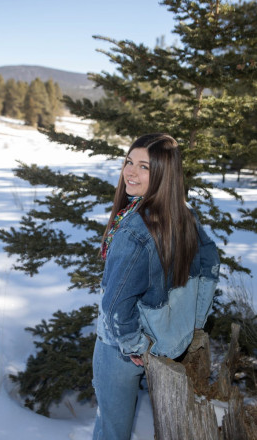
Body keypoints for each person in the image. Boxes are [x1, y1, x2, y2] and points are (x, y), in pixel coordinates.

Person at [92, 133, 220, 440]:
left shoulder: (136, 228)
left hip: (121, 349)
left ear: (164, 172)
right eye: (128, 162)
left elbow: (114, 303)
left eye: (144, 166)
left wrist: (133, 344)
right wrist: (189, 328)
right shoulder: (185, 218)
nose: (130, 172)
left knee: (112, 430)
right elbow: (208, 275)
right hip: (166, 346)